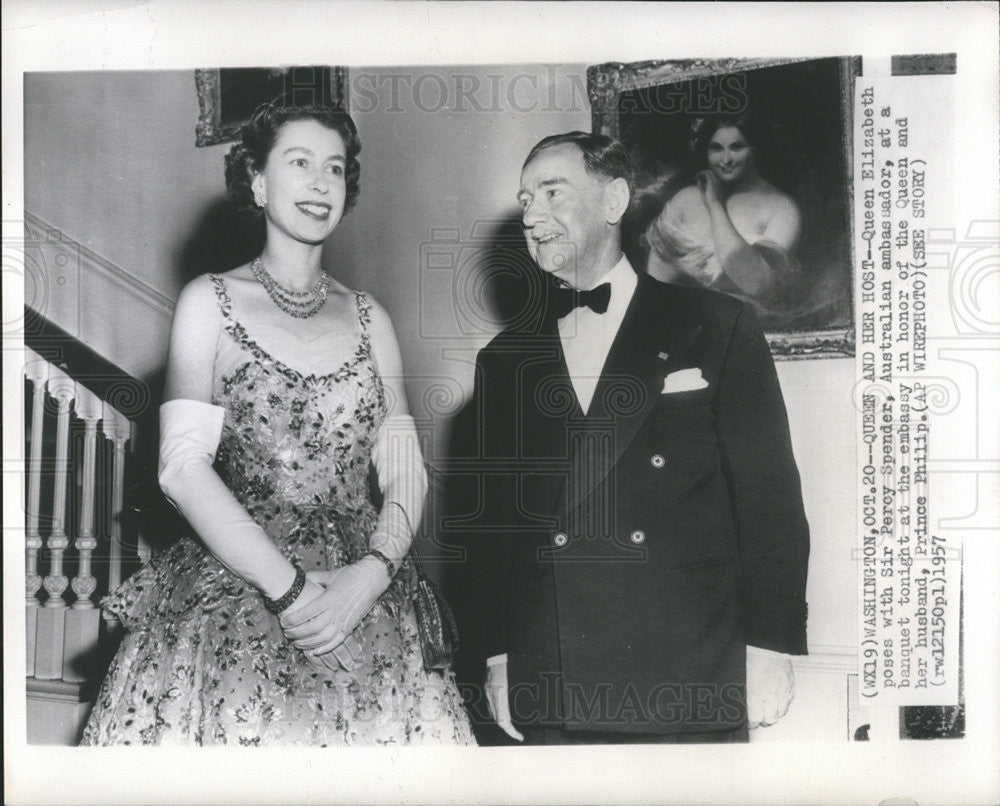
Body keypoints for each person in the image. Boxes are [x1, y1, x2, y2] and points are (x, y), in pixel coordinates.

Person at [81, 100, 474, 746]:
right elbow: (182, 468)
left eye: (336, 168)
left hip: (365, 593)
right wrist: (289, 591)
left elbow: (406, 471)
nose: (321, 182)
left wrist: (370, 575)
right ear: (258, 183)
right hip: (242, 587)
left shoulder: (372, 317)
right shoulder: (207, 301)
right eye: (300, 163)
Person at [468, 131, 809, 744]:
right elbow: (495, 529)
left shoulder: (719, 324)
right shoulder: (503, 360)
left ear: (615, 200)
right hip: (554, 677)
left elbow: (770, 499)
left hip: (687, 668)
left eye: (552, 192)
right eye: (525, 201)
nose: (533, 216)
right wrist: (498, 657)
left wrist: (771, 645)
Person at [643, 114, 803, 320]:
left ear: (755, 149)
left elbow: (756, 284)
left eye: (737, 147)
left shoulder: (781, 208)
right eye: (716, 148)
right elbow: (655, 287)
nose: (726, 160)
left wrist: (715, 205)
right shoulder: (687, 200)